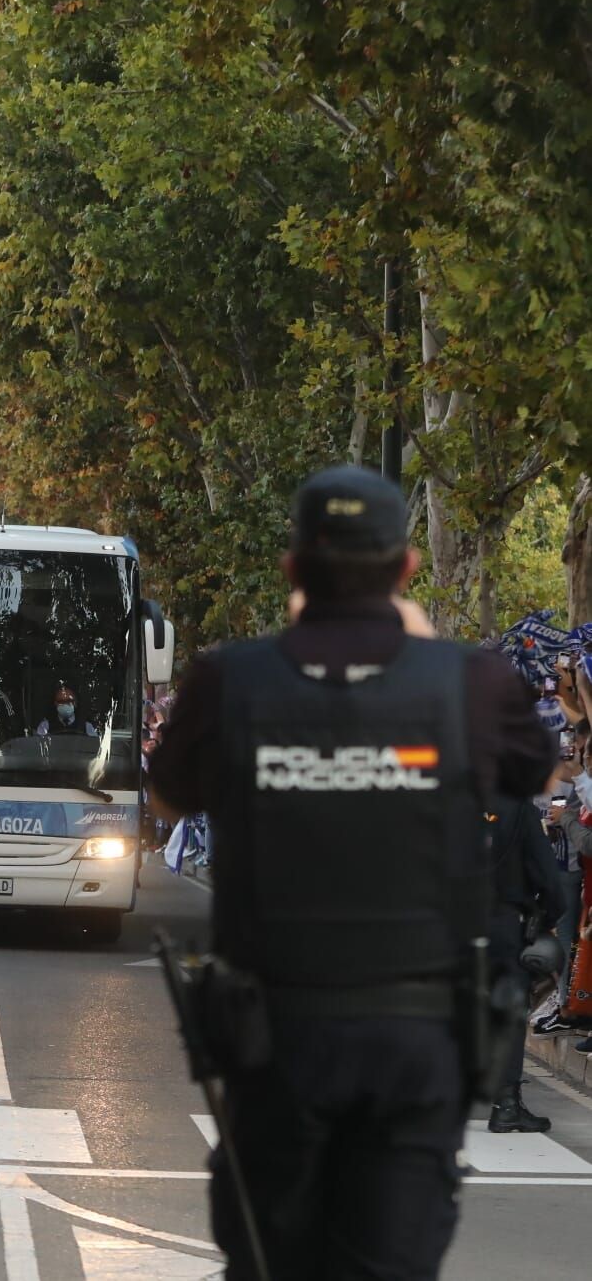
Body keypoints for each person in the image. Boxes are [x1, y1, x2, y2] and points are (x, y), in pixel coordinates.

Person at [148, 465, 556, 1280]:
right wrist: (426, 658)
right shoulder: (467, 683)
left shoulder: (230, 678)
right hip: (414, 1043)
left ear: (291, 569)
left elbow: (165, 801)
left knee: (268, 1260)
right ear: (405, 568)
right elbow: (534, 774)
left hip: (276, 1039)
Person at [484, 794, 567, 1133]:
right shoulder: (517, 807)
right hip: (504, 922)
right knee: (509, 1011)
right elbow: (549, 878)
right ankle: (505, 1104)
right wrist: (544, 919)